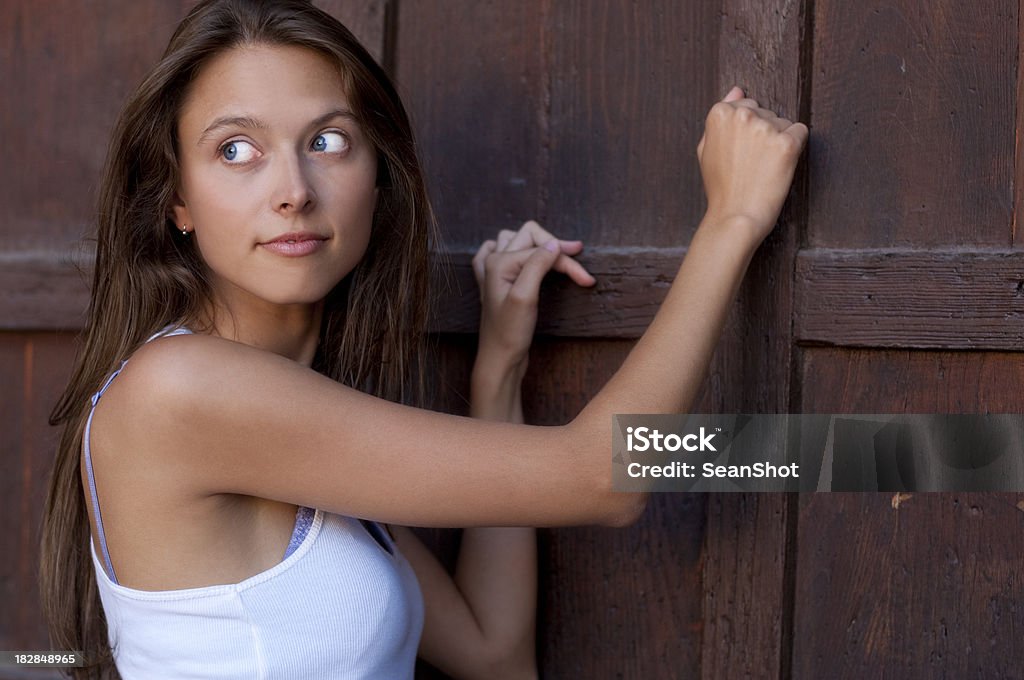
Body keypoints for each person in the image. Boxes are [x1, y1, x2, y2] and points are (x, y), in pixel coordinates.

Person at [39, 0, 808, 678]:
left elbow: (491, 651)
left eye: (329, 141)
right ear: (176, 197)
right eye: (235, 149)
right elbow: (606, 481)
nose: (293, 191)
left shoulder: (297, 436)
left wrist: (498, 373)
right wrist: (730, 223)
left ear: (379, 176)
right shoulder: (185, 390)